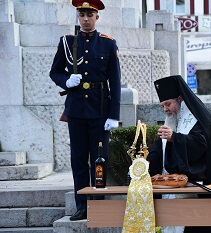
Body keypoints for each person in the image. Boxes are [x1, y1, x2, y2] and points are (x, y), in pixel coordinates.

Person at [49, 0, 121, 221]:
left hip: (100, 111)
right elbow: (54, 72)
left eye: (90, 14)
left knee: (100, 159)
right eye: (82, 14)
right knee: (78, 160)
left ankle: (97, 204)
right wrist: (66, 81)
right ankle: (83, 206)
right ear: (78, 16)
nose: (86, 19)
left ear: (97, 17)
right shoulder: (67, 42)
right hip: (77, 110)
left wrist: (114, 115)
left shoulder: (108, 44)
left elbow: (115, 82)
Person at [147, 75, 211, 233]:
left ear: (180, 98)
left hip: (201, 190)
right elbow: (161, 149)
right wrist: (145, 164)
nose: (165, 109)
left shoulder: (199, 119)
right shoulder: (173, 119)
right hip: (175, 188)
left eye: (168, 104)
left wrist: (174, 137)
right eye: (162, 106)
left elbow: (199, 145)